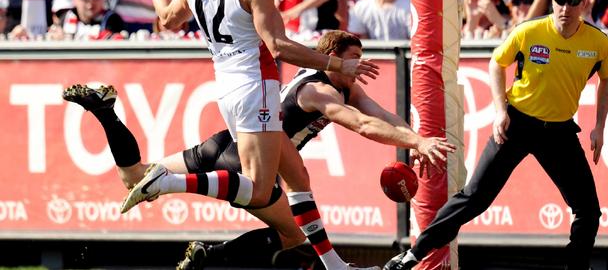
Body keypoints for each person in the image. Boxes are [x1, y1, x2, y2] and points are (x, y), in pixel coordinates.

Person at [63, 31, 454, 270]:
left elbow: (380, 114)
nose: (359, 66)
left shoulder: (340, 84)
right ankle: (206, 246)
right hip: (249, 156)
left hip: (223, 142)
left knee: (132, 175)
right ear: (332, 58)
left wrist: (414, 138)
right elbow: (362, 124)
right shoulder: (318, 89)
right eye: (353, 59)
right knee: (295, 238)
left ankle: (105, 112)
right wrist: (417, 142)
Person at [122, 0, 380, 268]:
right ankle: (167, 182)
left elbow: (167, 19)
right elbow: (278, 45)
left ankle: (334, 265)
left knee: (298, 176)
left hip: (227, 88)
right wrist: (338, 64)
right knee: (259, 190)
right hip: (256, 87)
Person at [384, 0, 608, 270]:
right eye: (559, 0)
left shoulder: (597, 41)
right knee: (474, 197)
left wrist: (600, 126)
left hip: (559, 130)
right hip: (518, 123)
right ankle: (413, 254)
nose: (565, 8)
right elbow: (497, 63)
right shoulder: (530, 31)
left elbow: (607, 78)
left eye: (572, 2)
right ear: (552, 1)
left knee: (589, 210)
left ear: (583, 3)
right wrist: (500, 111)